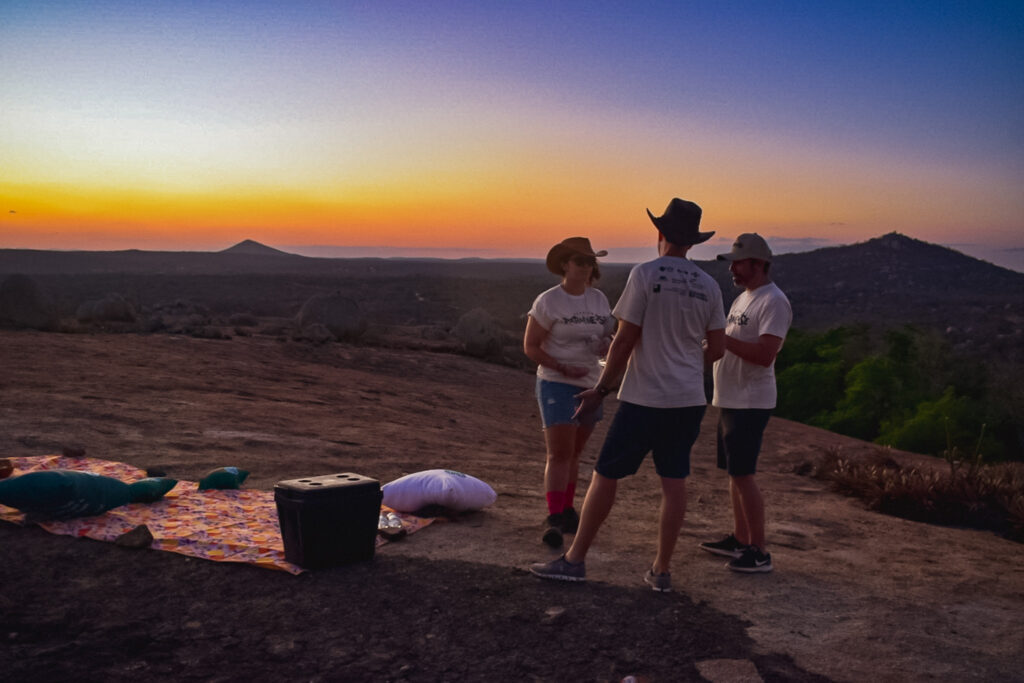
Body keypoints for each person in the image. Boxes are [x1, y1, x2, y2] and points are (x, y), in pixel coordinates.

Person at [530, 198, 725, 592]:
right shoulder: (708, 285)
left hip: (644, 398)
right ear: (693, 242)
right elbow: (717, 349)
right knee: (674, 483)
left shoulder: (645, 274)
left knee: (606, 476)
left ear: (660, 234)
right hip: (687, 400)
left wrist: (602, 390)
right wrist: (685, 367)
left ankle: (575, 560)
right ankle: (662, 570)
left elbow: (623, 341)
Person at [699, 233, 792, 573]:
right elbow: (727, 345)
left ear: (759, 263)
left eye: (738, 263)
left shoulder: (773, 301)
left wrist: (724, 339)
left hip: (751, 401)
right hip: (731, 398)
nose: (733, 270)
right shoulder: (743, 299)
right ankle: (740, 539)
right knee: (734, 473)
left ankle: (760, 550)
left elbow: (765, 355)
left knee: (744, 474)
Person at [523, 237, 615, 548]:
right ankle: (554, 516)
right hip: (556, 382)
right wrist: (561, 367)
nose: (587, 266)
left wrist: (606, 343)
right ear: (565, 264)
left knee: (575, 452)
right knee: (559, 453)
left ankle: (567, 508)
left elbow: (607, 334)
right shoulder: (549, 301)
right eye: (580, 261)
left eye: (590, 261)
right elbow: (531, 346)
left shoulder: (599, 299)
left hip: (591, 382)